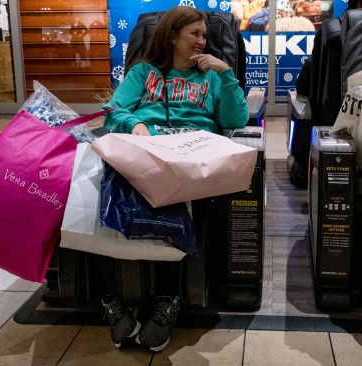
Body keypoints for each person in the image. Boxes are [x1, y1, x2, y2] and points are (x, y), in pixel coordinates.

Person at [100, 6, 248, 352]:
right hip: (145, 151)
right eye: (194, 34)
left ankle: (168, 299)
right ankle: (112, 298)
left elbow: (236, 117)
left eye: (205, 36)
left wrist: (226, 74)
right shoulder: (143, 73)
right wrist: (134, 124)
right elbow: (113, 111)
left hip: (192, 158)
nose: (202, 41)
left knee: (177, 203)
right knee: (103, 192)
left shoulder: (212, 76)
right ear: (171, 36)